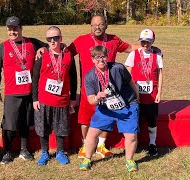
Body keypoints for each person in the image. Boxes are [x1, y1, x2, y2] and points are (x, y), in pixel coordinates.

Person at [67, 15, 138, 159]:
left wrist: (146, 46)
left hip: (110, 90)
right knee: (85, 117)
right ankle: (85, 144)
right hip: (90, 87)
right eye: (94, 25)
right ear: (90, 26)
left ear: (106, 25)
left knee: (108, 113)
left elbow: (130, 48)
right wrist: (43, 50)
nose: (97, 27)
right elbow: (66, 53)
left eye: (100, 24)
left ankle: (101, 145)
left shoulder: (113, 40)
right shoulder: (81, 40)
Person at [0, 16, 47, 164]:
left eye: (15, 28)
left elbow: (50, 46)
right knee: (9, 124)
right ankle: (7, 152)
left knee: (25, 123)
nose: (12, 32)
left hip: (29, 91)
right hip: (12, 93)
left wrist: (43, 48)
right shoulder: (2, 47)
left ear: (21, 28)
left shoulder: (32, 42)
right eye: (10, 29)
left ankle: (23, 150)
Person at [79, 45, 140, 172]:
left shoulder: (117, 68)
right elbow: (91, 100)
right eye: (97, 57)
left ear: (107, 57)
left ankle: (129, 160)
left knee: (131, 136)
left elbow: (130, 82)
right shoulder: (89, 76)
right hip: (105, 108)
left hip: (127, 105)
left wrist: (137, 97)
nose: (101, 60)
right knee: (92, 133)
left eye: (103, 56)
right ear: (92, 60)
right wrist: (97, 97)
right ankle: (87, 159)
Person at [32, 26, 77, 166]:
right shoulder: (42, 54)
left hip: (62, 100)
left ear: (61, 39)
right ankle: (45, 152)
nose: (53, 41)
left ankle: (60, 152)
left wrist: (73, 98)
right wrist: (35, 99)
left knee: (61, 128)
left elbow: (74, 77)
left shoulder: (69, 55)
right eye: (49, 39)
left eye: (56, 38)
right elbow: (35, 77)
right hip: (44, 99)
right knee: (43, 127)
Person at [125, 29, 163, 156]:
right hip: (136, 95)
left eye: (148, 42)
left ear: (153, 42)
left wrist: (159, 93)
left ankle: (152, 144)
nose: (145, 44)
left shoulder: (157, 55)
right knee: (134, 120)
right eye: (143, 42)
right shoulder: (133, 54)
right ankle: (132, 144)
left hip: (152, 94)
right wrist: (129, 93)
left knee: (152, 120)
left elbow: (160, 74)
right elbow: (128, 74)